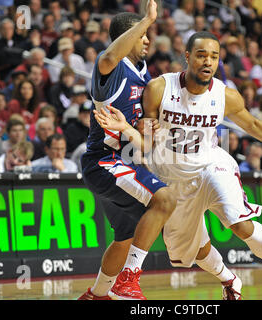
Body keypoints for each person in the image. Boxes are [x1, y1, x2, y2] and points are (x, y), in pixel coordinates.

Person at [95, 31, 262, 300]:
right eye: (202, 55)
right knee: (194, 251)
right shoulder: (159, 88)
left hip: (212, 165)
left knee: (238, 222)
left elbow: (252, 125)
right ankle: (229, 280)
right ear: (187, 57)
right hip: (171, 177)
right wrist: (140, 129)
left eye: (214, 57)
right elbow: (146, 136)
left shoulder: (225, 95)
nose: (208, 62)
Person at [78, 1, 177, 301]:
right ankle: (128, 281)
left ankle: (96, 295)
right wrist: (146, 19)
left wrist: (136, 131)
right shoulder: (110, 67)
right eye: (143, 34)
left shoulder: (147, 79)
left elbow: (145, 143)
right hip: (103, 162)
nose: (148, 40)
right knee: (166, 199)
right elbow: (109, 54)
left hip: (128, 163)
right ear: (130, 35)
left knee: (125, 238)